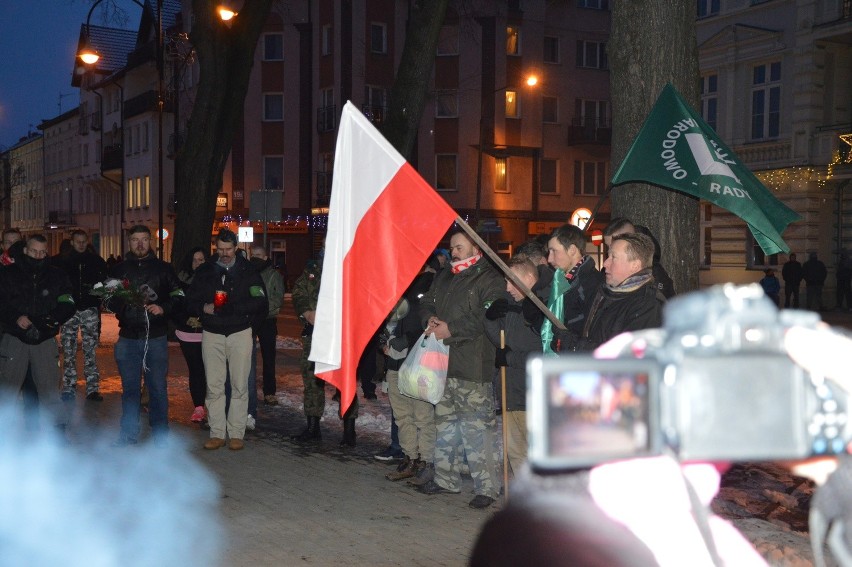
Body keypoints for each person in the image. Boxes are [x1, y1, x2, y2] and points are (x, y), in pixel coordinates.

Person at [416, 229, 504, 509]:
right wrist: (428, 318)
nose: (454, 252)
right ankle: (445, 479)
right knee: (445, 426)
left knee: (477, 429)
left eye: (460, 247)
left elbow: (487, 318)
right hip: (442, 365)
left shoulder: (489, 279)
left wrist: (450, 330)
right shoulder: (445, 276)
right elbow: (426, 302)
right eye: (452, 247)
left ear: (476, 247)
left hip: (472, 367)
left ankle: (487, 487)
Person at [187, 230, 267, 451]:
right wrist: (203, 308)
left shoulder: (248, 270)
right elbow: (190, 299)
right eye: (220, 249)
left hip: (240, 332)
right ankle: (217, 432)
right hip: (212, 333)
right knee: (214, 386)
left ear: (236, 247)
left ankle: (236, 432)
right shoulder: (205, 271)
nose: (224, 254)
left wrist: (238, 312)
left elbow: (260, 302)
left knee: (240, 385)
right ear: (215, 248)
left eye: (228, 249)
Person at [107, 225, 184, 446]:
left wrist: (163, 307)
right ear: (129, 242)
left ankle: (161, 434)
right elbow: (108, 298)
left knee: (157, 387)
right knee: (130, 389)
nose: (140, 244)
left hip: (156, 337)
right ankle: (129, 433)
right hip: (128, 337)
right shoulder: (119, 269)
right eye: (135, 240)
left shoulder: (164, 269)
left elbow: (179, 294)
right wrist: (124, 305)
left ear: (150, 241)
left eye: (143, 239)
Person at [0, 234, 76, 430]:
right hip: (15, 337)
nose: (39, 255)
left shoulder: (57, 275)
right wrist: (15, 317)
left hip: (44, 337)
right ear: (25, 250)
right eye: (34, 251)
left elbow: (68, 302)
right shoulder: (8, 274)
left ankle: (58, 432)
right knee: (8, 387)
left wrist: (48, 320)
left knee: (49, 387)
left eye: (43, 252)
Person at [290, 243, 360, 447]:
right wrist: (306, 312)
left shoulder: (351, 269)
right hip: (316, 336)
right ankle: (312, 428)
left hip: (343, 337)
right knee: (312, 382)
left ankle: (349, 431)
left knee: (345, 383)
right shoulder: (313, 271)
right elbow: (298, 293)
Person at [552, 233, 664, 353]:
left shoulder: (647, 306)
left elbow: (627, 359)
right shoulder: (605, 293)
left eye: (613, 257)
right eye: (607, 256)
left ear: (635, 265)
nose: (605, 264)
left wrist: (573, 346)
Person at [484, 256, 542, 476]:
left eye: (512, 281)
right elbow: (498, 341)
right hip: (510, 392)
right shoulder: (512, 307)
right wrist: (489, 318)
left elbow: (544, 353)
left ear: (528, 278)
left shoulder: (541, 308)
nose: (507, 287)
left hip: (531, 396)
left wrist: (511, 359)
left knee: (534, 454)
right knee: (515, 453)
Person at [54, 229, 108, 402]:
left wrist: (97, 293)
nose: (81, 244)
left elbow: (103, 283)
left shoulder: (96, 261)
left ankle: (92, 388)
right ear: (72, 242)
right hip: (69, 310)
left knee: (90, 349)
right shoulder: (62, 262)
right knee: (68, 350)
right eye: (78, 241)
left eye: (84, 241)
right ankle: (69, 386)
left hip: (89, 309)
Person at [539, 224, 605, 355]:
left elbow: (590, 332)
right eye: (549, 252)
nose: (549, 259)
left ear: (572, 250)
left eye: (554, 251)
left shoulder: (591, 283)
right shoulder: (562, 280)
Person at [175, 247, 210, 422]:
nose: (198, 263)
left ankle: (212, 405)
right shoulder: (180, 280)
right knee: (196, 370)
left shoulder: (212, 279)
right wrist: (186, 320)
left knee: (211, 370)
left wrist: (204, 319)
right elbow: (176, 305)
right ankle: (198, 407)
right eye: (195, 260)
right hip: (187, 332)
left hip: (208, 331)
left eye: (201, 260)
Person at [249, 244, 285, 406]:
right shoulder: (247, 273)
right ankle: (246, 391)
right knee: (246, 358)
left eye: (258, 254)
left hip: (268, 320)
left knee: (269, 359)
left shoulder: (273, 275)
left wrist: (261, 309)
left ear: (265, 257)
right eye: (253, 254)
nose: (255, 257)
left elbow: (278, 298)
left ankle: (270, 392)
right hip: (249, 320)